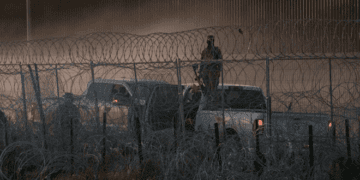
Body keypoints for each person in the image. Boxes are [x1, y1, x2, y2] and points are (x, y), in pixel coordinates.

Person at [198, 35, 223, 100]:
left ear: (213, 42)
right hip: (205, 72)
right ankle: (208, 100)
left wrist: (218, 71)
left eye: (211, 41)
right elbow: (202, 63)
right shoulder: (204, 51)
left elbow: (220, 61)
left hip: (213, 72)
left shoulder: (217, 50)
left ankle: (213, 101)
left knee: (213, 89)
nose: (210, 43)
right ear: (207, 42)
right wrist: (200, 73)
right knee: (207, 89)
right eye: (209, 41)